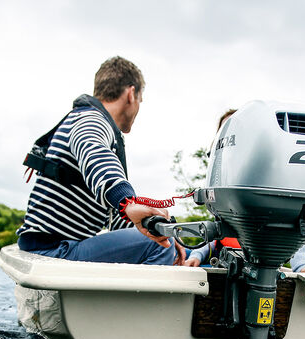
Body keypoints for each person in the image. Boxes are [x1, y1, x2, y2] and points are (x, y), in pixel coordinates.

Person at [16, 57, 185, 265]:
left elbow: (116, 218)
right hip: (54, 249)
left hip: (49, 247)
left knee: (158, 243)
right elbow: (94, 154)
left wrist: (160, 232)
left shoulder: (83, 118)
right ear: (131, 94)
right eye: (140, 100)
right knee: (156, 247)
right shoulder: (92, 120)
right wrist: (128, 201)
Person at [182, 109, 305, 275]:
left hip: (260, 255)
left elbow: (289, 228)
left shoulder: (268, 175)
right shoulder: (222, 185)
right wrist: (195, 256)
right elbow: (215, 234)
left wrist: (302, 265)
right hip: (224, 260)